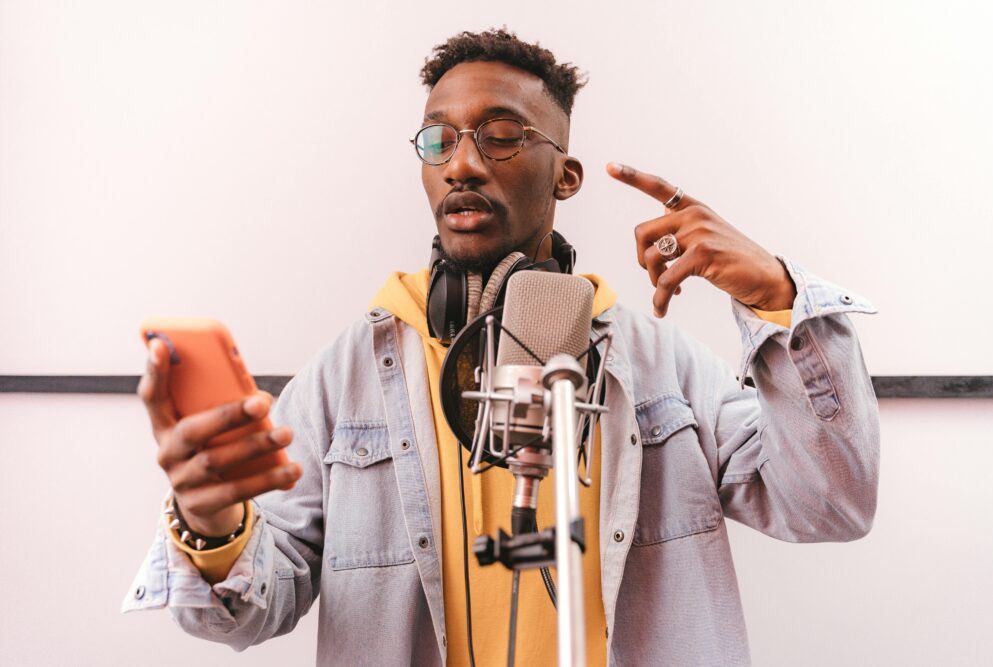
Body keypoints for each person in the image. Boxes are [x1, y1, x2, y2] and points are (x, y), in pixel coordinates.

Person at [123, 28, 880, 666]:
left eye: (502, 135)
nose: (461, 162)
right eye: (439, 139)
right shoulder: (346, 375)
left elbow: (833, 504)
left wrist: (778, 296)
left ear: (566, 176)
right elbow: (247, 612)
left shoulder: (662, 367)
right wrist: (211, 524)